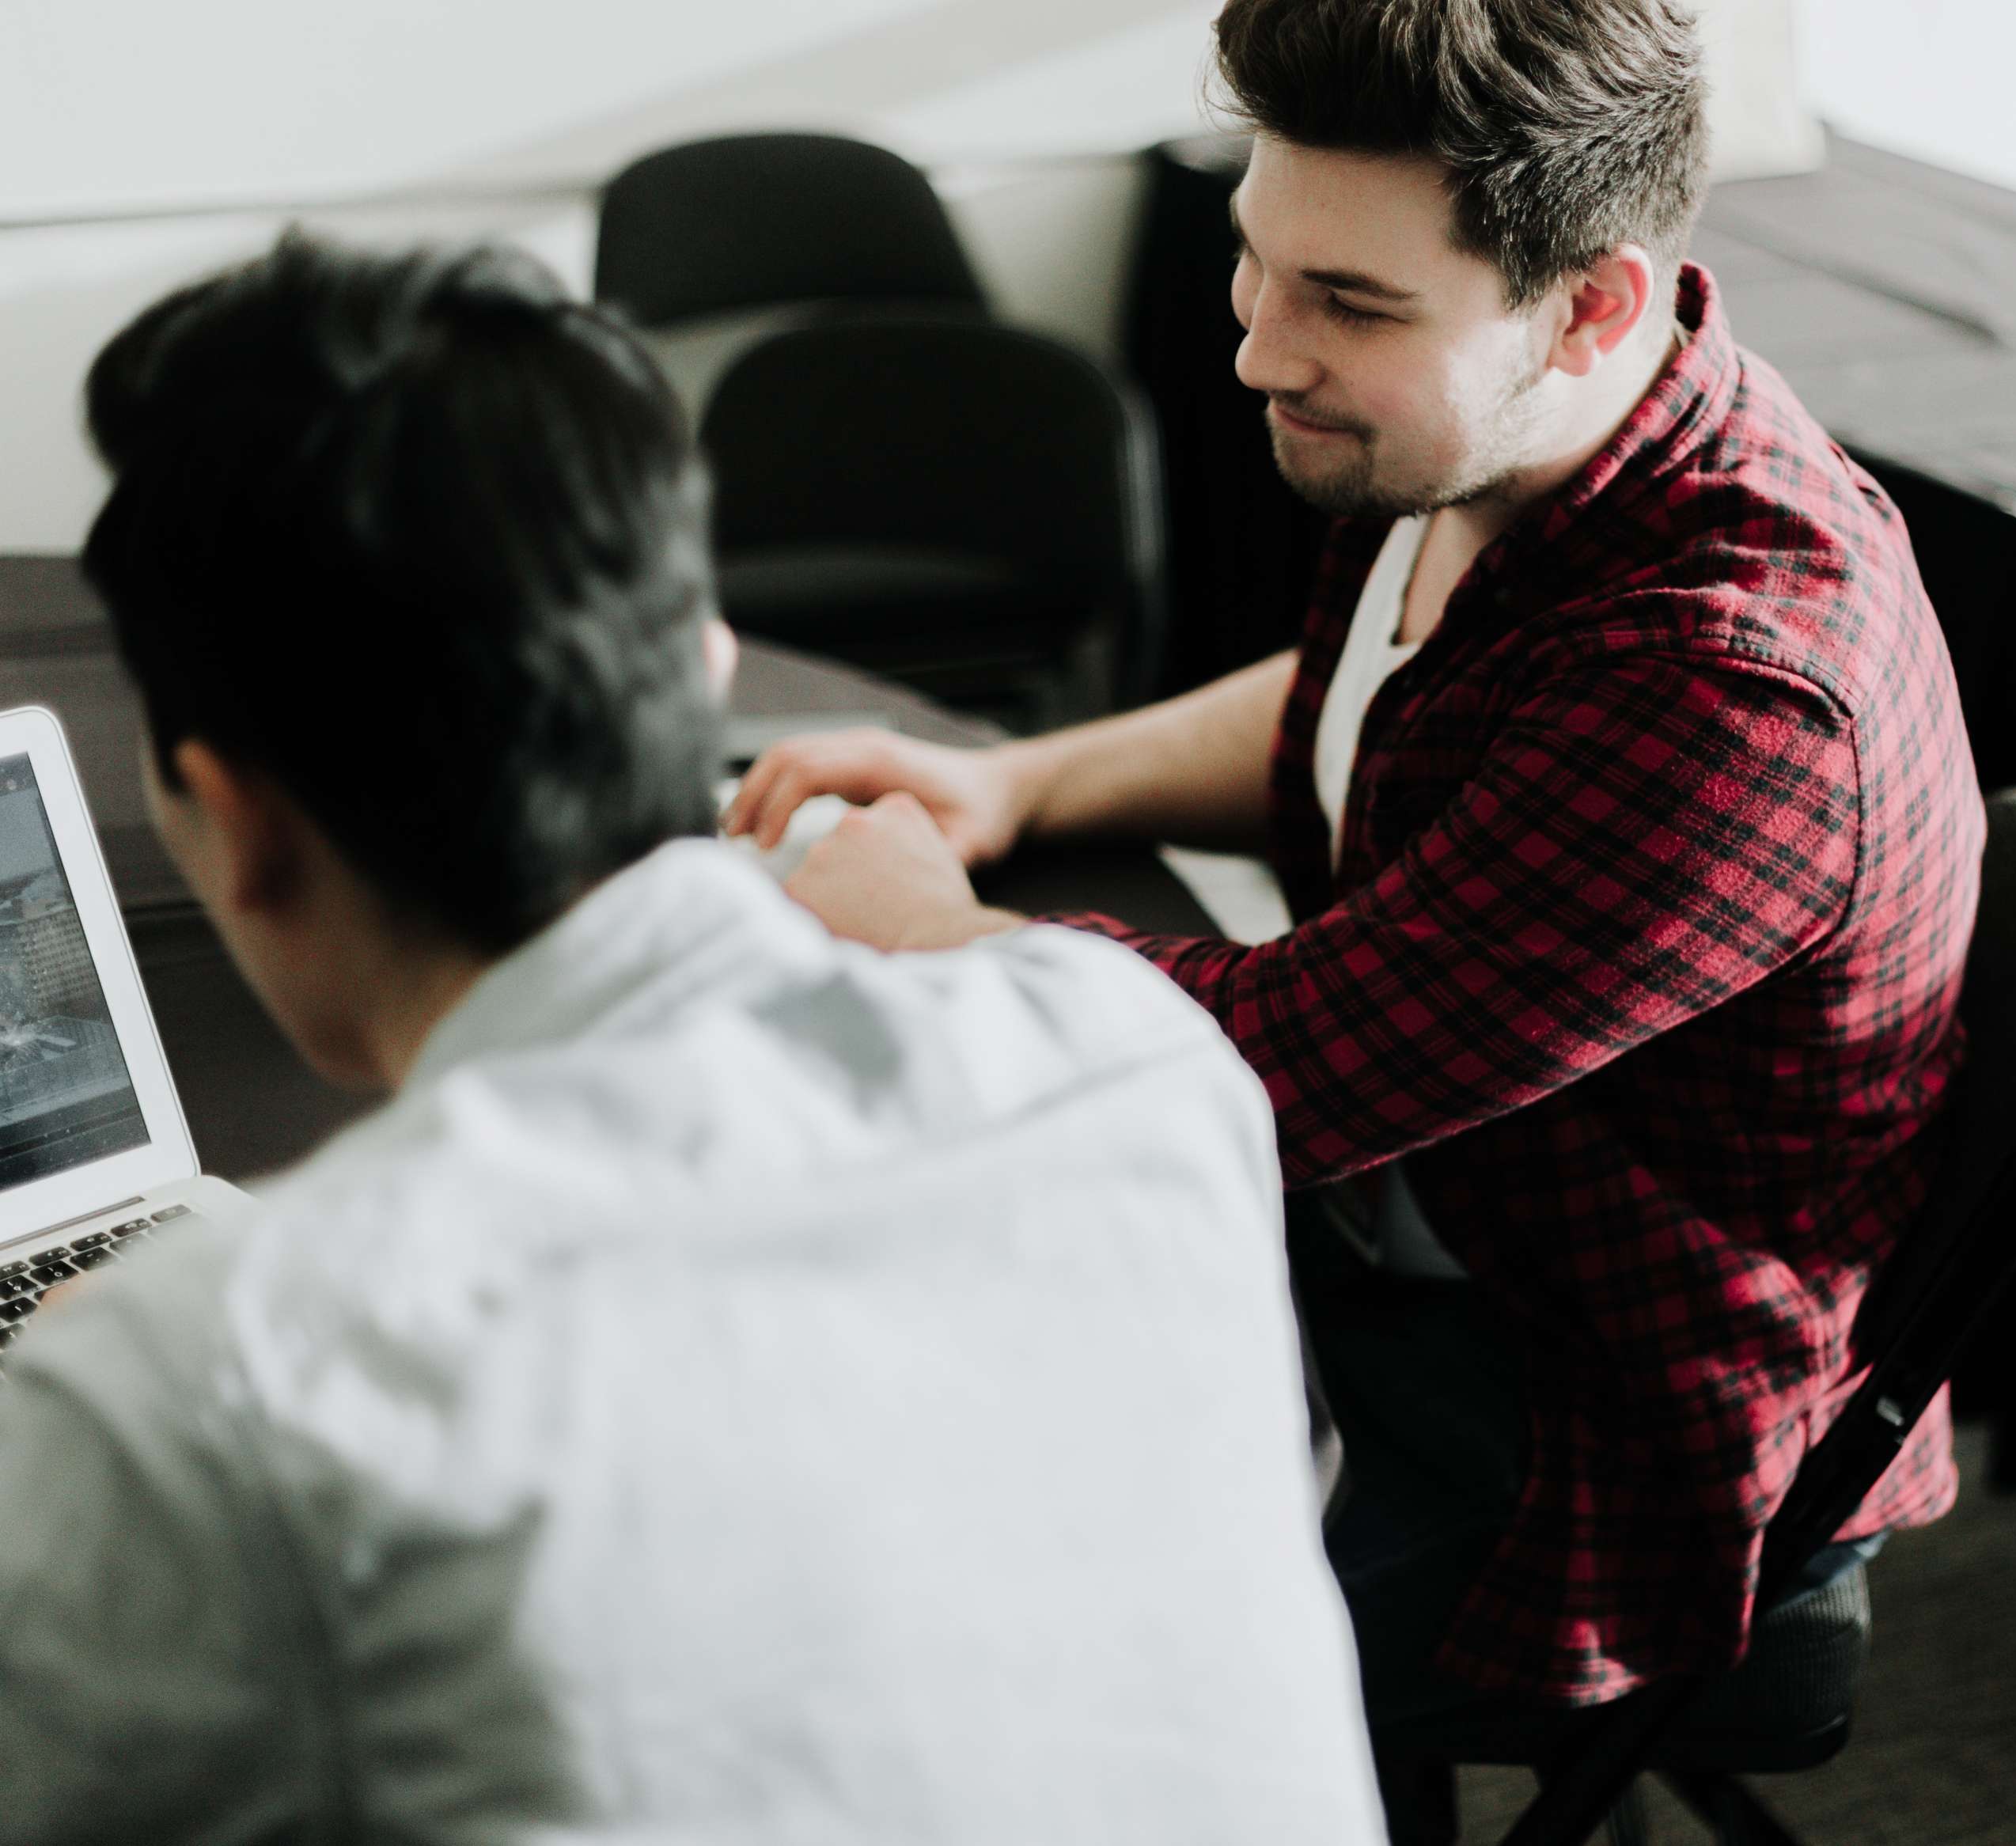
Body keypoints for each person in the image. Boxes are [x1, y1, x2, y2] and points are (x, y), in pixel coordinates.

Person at [0, 233, 1386, 1844]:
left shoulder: (224, 1381)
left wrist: (113, 1404)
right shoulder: (1133, 1068)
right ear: (709, 668)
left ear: (231, 827)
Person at [729, 0, 1985, 1729]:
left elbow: (1270, 1079)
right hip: (1442, 1227)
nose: (1257, 347)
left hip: (1591, 1425)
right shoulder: (1528, 427)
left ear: (1589, 304)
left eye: (1348, 304)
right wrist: (1015, 785)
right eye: (1260, 264)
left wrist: (938, 939)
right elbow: (1368, 705)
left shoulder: (1737, 696)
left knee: (958, 1624)